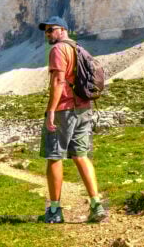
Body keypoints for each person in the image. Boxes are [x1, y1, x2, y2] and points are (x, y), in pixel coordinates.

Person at [37, 16, 107, 224]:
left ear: (63, 30)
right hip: (84, 108)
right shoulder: (78, 48)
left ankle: (55, 210)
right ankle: (96, 205)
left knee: (54, 156)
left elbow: (58, 81)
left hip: (64, 109)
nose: (48, 34)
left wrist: (51, 110)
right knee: (81, 155)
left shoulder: (58, 50)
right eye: (46, 31)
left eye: (52, 30)